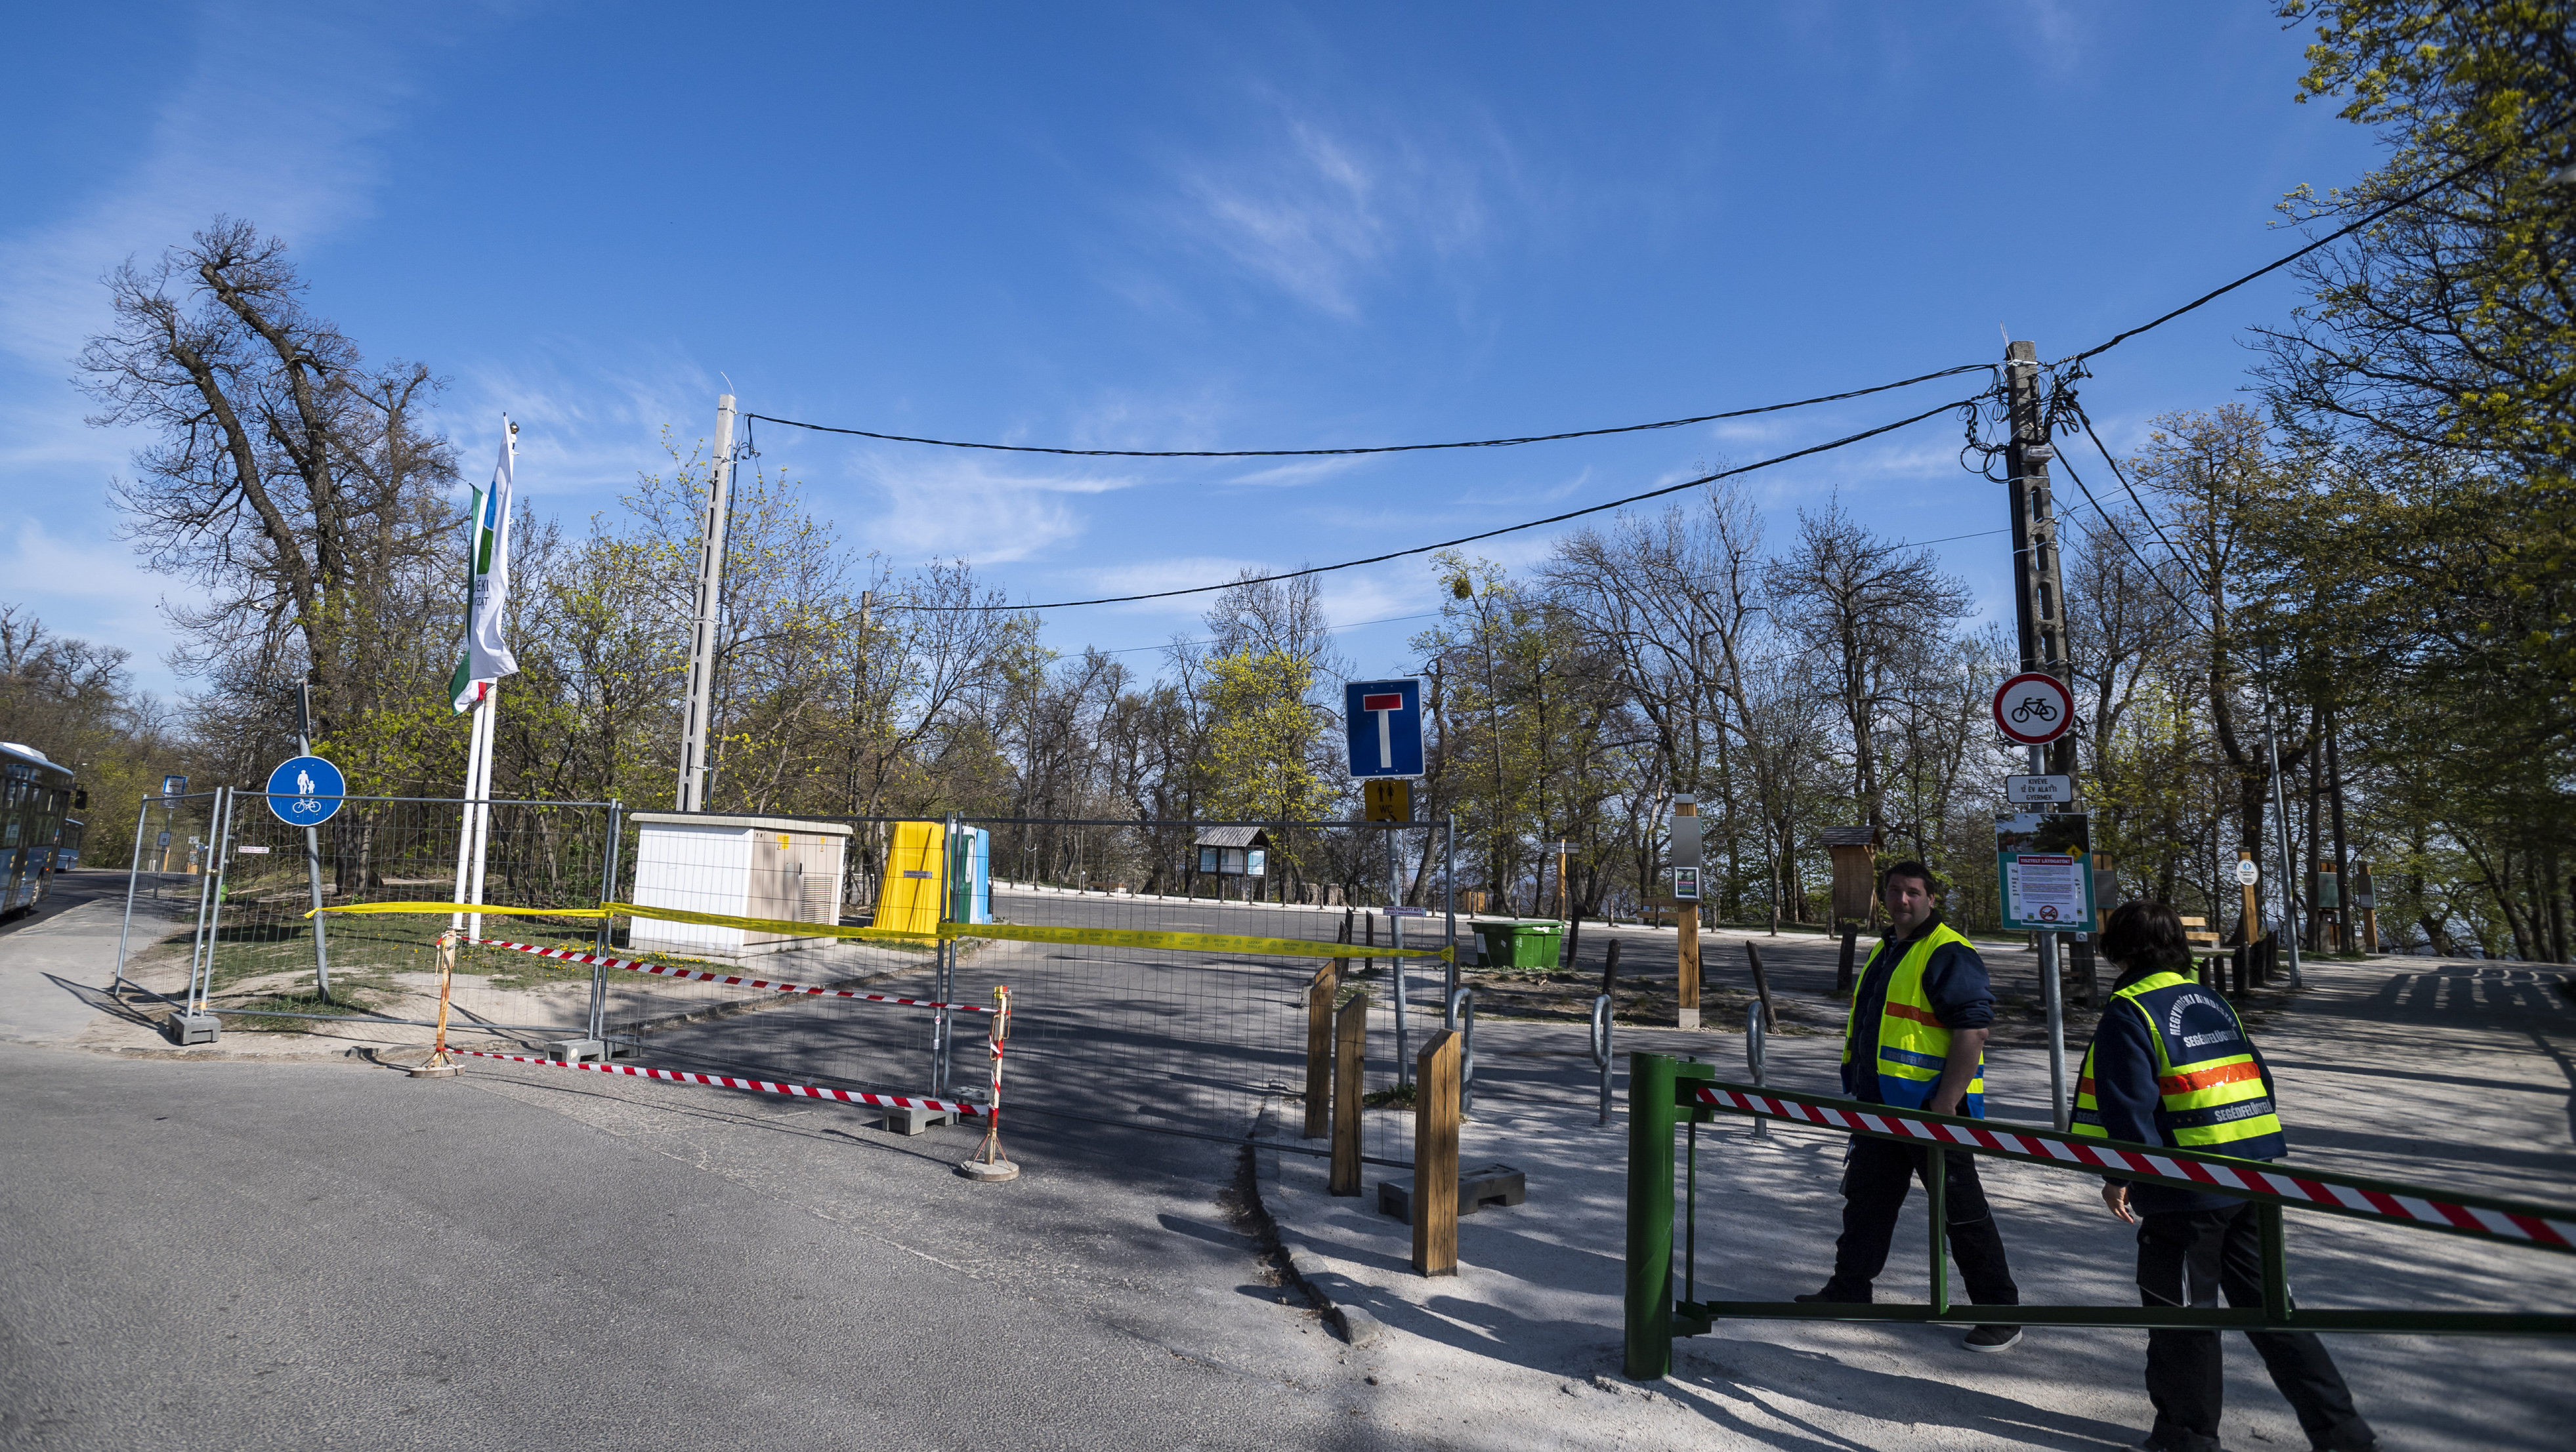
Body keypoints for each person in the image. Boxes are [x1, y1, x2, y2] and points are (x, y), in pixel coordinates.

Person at [2077, 900, 2376, 1452]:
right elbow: (2257, 1075)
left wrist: (2120, 1176)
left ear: (2116, 948)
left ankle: (2185, 1439)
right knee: (2272, 1313)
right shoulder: (2208, 999)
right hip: (2253, 1176)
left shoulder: (2130, 1008)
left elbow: (2128, 1110)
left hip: (2186, 1188)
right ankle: (2341, 1432)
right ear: (2175, 946)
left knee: (2183, 1321)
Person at [1797, 860, 2023, 1352]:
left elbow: (1974, 1031)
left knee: (1960, 1211)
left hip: (1930, 1110)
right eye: (1895, 890)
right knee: (1867, 1202)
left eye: (1913, 892)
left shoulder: (1947, 951)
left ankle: (2000, 1311)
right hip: (1882, 1106)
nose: (1902, 899)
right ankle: (1850, 1289)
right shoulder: (1888, 946)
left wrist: (1944, 1104)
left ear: (1930, 899)